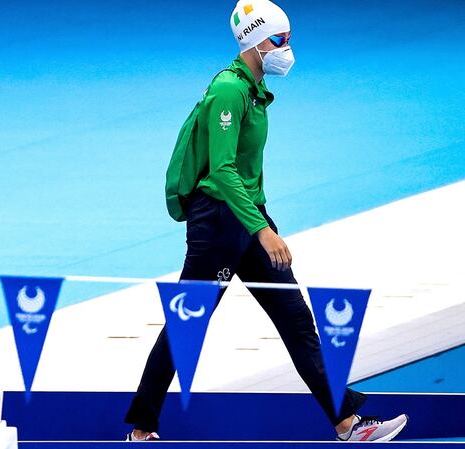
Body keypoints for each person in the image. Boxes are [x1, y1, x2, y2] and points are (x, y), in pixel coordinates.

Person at [124, 1, 407, 442]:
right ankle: (141, 431)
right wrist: (262, 229)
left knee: (296, 320)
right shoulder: (228, 92)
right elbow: (220, 169)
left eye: (289, 38)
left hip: (249, 217)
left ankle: (348, 425)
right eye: (279, 39)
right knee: (187, 325)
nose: (287, 47)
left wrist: (259, 222)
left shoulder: (254, 91)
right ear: (254, 43)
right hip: (218, 224)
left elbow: (246, 169)